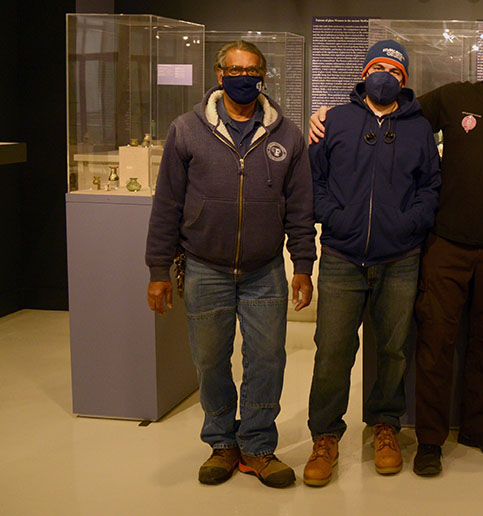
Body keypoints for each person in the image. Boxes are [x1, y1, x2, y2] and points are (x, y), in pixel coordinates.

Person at [310, 28, 483, 476]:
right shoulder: (453, 97)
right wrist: (329, 113)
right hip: (446, 245)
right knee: (435, 342)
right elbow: (395, 112)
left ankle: (477, 426)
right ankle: (430, 440)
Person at [145, 40, 316, 488]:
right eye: (234, 69)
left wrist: (302, 264)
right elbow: (166, 205)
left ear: (264, 75)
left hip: (265, 271)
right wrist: (158, 270)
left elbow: (300, 207)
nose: (244, 76)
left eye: (252, 69)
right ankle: (222, 443)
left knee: (267, 360)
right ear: (219, 75)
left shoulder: (288, 135)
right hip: (205, 268)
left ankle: (258, 447)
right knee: (210, 361)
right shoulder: (186, 129)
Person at [303, 41, 440, 486]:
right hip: (343, 256)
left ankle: (385, 426)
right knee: (333, 350)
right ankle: (325, 437)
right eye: (377, 67)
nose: (385, 74)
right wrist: (335, 216)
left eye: (394, 69)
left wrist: (409, 224)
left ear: (404, 79)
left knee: (393, 350)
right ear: (364, 74)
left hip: (400, 258)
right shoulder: (335, 122)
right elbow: (314, 179)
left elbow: (430, 187)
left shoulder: (419, 128)